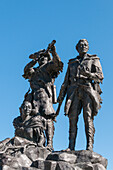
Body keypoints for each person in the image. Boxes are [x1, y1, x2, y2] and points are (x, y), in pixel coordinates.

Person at [57, 39, 104, 151]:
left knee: (88, 118)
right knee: (72, 119)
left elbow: (100, 76)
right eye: (81, 45)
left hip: (87, 91)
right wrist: (61, 96)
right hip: (73, 92)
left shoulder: (93, 60)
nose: (83, 46)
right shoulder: (72, 63)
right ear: (77, 48)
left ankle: (89, 146)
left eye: (85, 45)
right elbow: (66, 81)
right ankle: (71, 146)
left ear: (88, 47)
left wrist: (88, 74)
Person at [22, 41, 63, 150]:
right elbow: (26, 71)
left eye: (44, 57)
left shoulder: (48, 67)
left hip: (45, 97)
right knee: (35, 120)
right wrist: (33, 60)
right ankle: (37, 142)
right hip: (35, 98)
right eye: (40, 58)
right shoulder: (34, 70)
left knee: (48, 119)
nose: (42, 60)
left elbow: (57, 63)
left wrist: (54, 52)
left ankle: (49, 143)